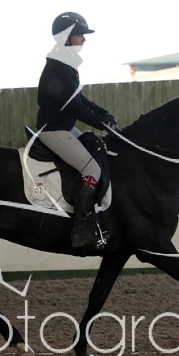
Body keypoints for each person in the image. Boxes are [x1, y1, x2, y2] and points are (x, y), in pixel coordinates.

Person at [36, 12, 118, 248]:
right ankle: (80, 230)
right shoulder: (59, 66)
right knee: (91, 169)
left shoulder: (65, 63)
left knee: (97, 151)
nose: (84, 39)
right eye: (80, 34)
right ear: (66, 37)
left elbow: (79, 99)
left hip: (65, 127)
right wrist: (100, 123)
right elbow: (74, 106)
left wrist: (103, 113)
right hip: (53, 130)